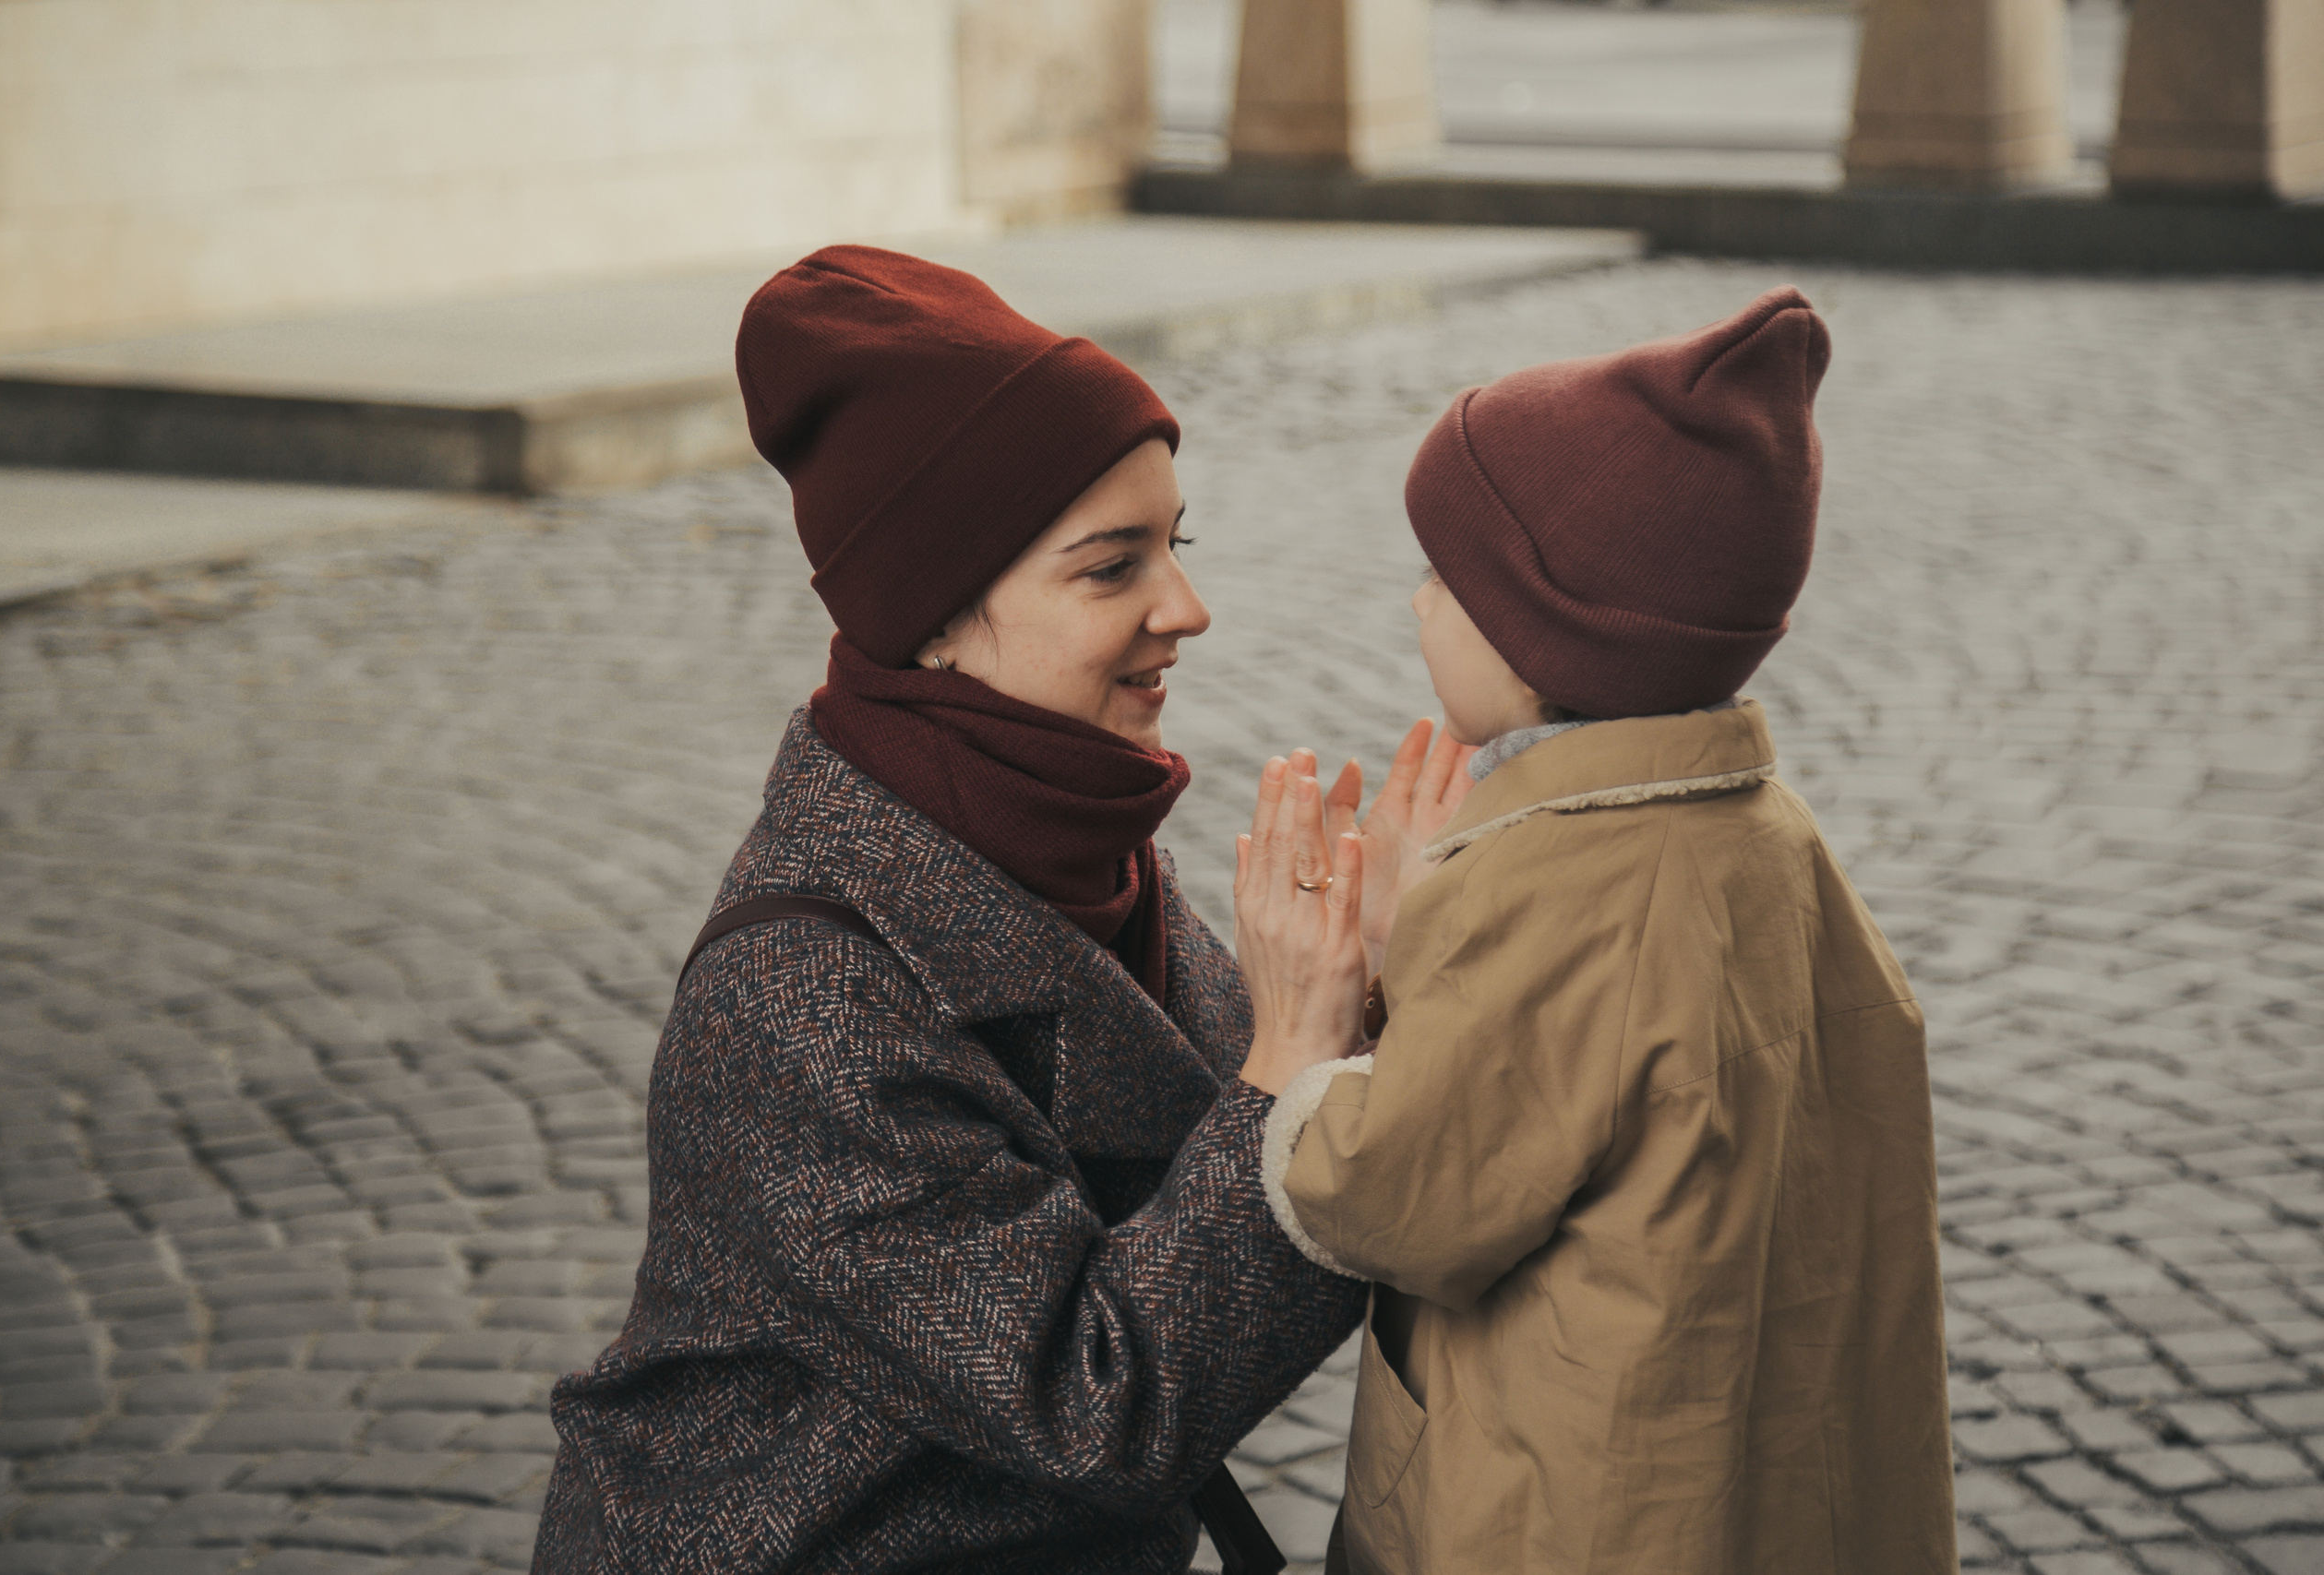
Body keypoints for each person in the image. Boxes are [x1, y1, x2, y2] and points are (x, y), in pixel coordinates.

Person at [530, 245, 1429, 1575]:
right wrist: (1301, 1050)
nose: (1187, 608)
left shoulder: (1064, 832)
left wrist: (1375, 975)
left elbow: (1228, 1143)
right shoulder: (802, 990)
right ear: (938, 614)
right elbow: (1098, 1402)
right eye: (1111, 567)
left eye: (1174, 545)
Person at [1261, 289, 1957, 1574]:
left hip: (1572, 1512)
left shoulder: (1557, 887)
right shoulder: (1773, 836)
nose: (1417, 604)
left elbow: (1402, 1190)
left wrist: (1305, 1056)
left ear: (1545, 625)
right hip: (1772, 1493)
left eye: (1445, 576)